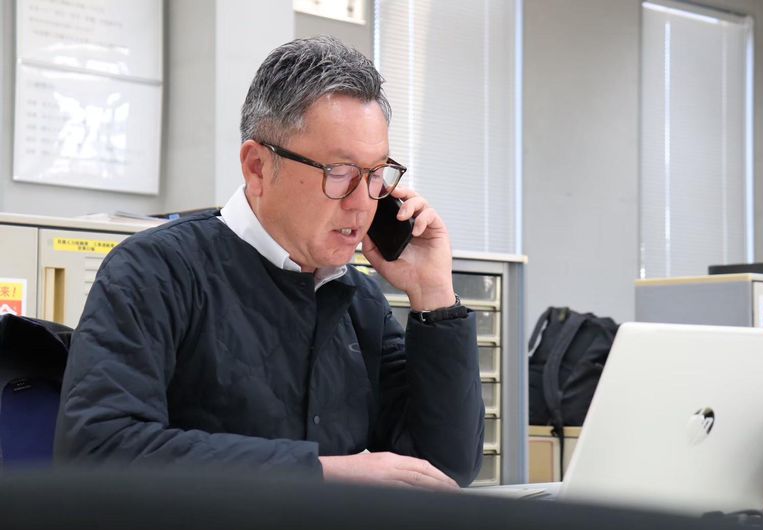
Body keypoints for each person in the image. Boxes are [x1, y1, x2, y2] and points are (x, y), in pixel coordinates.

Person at [54, 36, 484, 489]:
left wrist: (434, 295)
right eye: (339, 172)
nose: (363, 202)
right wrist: (322, 475)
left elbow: (443, 470)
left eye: (376, 174)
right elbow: (98, 450)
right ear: (257, 167)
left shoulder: (358, 301)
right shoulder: (155, 272)